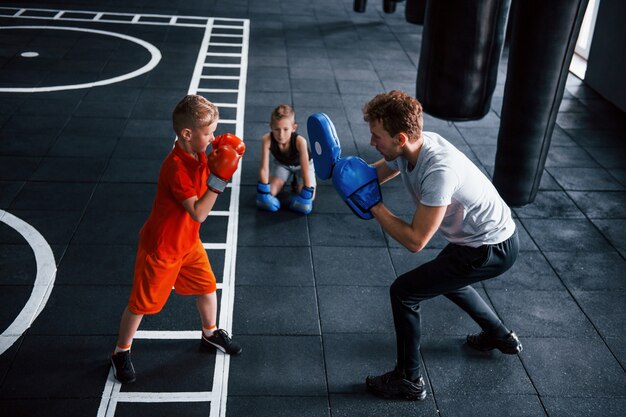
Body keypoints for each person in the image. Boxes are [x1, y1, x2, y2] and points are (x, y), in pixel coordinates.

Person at [319, 90, 520, 401]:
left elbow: (416, 240)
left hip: (491, 246)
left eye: (376, 137)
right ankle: (500, 335)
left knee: (405, 292)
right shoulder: (411, 148)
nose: (372, 143)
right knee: (449, 281)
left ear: (400, 138)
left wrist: (374, 206)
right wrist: (341, 171)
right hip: (478, 239)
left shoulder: (439, 171)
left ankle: (408, 379)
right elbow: (371, 176)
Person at [110, 94, 244, 384]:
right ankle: (120, 351)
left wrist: (221, 154)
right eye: (208, 134)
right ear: (187, 134)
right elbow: (198, 212)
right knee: (141, 305)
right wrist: (220, 179)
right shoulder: (175, 168)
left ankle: (209, 334)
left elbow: (210, 164)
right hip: (162, 248)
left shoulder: (197, 154)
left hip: (188, 244)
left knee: (207, 287)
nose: (212, 138)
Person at [256, 104, 316, 214]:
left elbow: (305, 169)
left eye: (285, 129)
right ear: (271, 127)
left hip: (302, 166)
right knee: (271, 192)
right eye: (277, 129)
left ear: (293, 128)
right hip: (282, 164)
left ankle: (297, 183)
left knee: (308, 199)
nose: (281, 134)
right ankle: (283, 182)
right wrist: (264, 193)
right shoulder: (267, 140)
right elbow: (264, 168)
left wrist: (307, 193)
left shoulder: (300, 142)